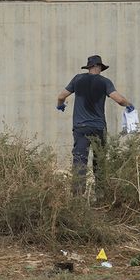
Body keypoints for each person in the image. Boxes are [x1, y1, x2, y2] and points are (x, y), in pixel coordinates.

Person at [55, 55, 133, 196]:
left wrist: (60, 106)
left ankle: (77, 198)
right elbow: (119, 99)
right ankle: (100, 196)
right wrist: (129, 105)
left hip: (81, 127)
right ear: (99, 67)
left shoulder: (77, 79)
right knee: (99, 160)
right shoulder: (105, 82)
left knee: (80, 160)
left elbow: (61, 96)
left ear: (89, 67)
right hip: (98, 127)